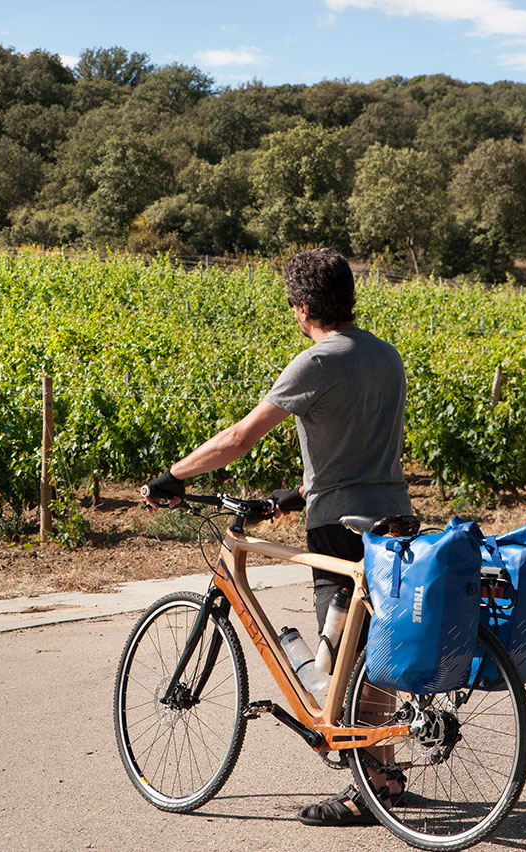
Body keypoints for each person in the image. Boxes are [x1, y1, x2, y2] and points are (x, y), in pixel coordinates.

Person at [143, 247, 411, 826]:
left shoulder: (317, 361)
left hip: (340, 525)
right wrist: (296, 493)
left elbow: (239, 438)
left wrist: (174, 476)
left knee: (344, 659)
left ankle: (371, 790)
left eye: (293, 305)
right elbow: (358, 443)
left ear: (304, 306)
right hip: (392, 516)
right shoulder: (386, 356)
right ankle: (384, 774)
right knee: (373, 649)